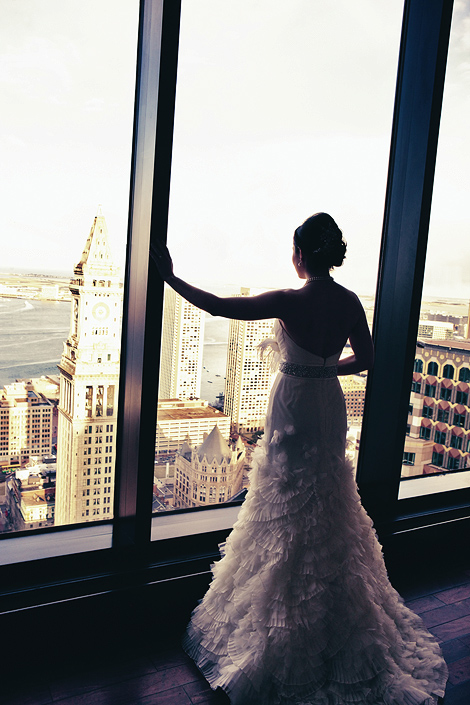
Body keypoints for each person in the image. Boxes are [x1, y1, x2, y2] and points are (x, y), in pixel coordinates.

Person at [151, 213, 447, 705]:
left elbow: (222, 307)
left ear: (301, 255)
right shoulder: (350, 302)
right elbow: (367, 358)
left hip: (293, 402)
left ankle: (283, 620)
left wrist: (171, 278)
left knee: (284, 498)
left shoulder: (290, 301)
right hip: (327, 402)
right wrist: (328, 369)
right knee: (328, 500)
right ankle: (335, 614)